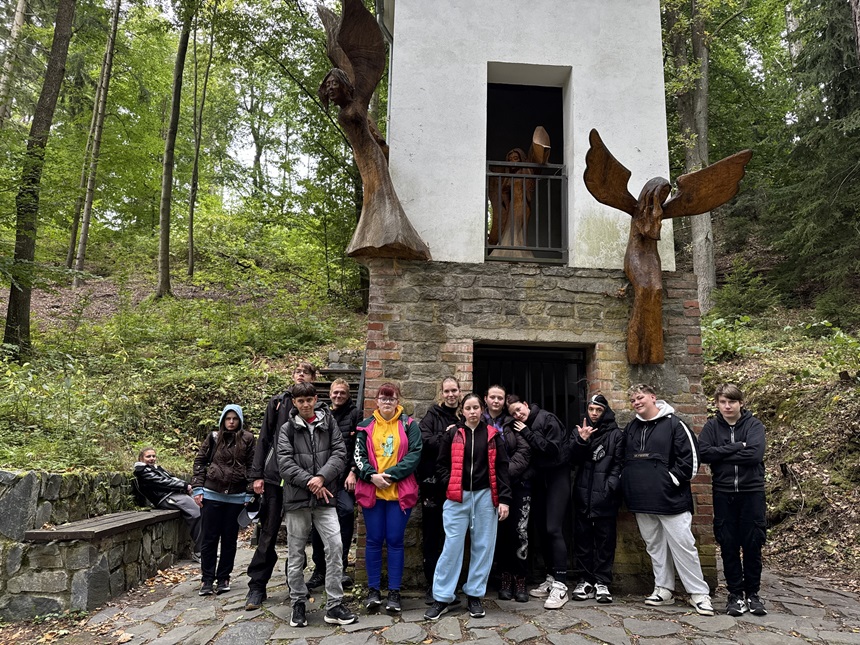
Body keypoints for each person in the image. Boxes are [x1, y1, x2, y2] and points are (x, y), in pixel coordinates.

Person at [621, 384, 714, 616]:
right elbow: (623, 458)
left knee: (683, 545)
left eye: (640, 397)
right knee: (654, 545)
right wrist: (628, 482)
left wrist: (670, 479)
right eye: (633, 400)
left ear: (653, 397)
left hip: (671, 498)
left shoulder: (675, 424)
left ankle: (699, 593)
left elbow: (690, 460)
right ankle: (663, 589)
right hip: (641, 499)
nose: (636, 403)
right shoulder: (631, 428)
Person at [424, 393, 511, 621]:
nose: (472, 412)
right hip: (457, 497)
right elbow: (441, 464)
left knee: (483, 546)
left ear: (482, 410)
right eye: (468, 408)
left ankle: (474, 595)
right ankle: (442, 597)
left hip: (485, 497)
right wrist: (450, 483)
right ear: (462, 411)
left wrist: (504, 499)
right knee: (452, 546)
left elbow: (502, 468)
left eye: (476, 408)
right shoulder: (453, 433)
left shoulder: (492, 435)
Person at [277, 382, 357, 627]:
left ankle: (334, 605)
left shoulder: (329, 423)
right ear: (294, 402)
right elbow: (285, 464)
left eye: (309, 400)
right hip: (297, 501)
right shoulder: (287, 429)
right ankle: (298, 603)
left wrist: (321, 477)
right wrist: (311, 482)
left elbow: (340, 454)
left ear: (315, 399)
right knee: (296, 553)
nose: (305, 404)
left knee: (335, 547)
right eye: (300, 401)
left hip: (325, 499)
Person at [244, 362, 315, 611]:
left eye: (306, 373)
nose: (300, 375)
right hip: (275, 478)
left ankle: (295, 583)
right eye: (297, 372)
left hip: (301, 480)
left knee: (299, 535)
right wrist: (257, 475)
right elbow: (264, 438)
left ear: (313, 379)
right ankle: (257, 586)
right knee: (268, 532)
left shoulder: (316, 408)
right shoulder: (277, 402)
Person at [698, 383, 768, 616]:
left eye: (732, 402)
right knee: (728, 544)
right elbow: (704, 453)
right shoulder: (711, 427)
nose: (727, 406)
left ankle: (753, 595)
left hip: (751, 493)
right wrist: (738, 446)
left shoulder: (754, 425)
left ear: (741, 403)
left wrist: (721, 453)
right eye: (723, 402)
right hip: (724, 493)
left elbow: (755, 455)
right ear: (717, 404)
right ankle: (735, 595)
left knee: (752, 544)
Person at [354, 382, 422, 613]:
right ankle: (373, 591)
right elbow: (358, 457)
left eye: (391, 399)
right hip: (372, 492)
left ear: (397, 401)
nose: (387, 402)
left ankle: (394, 592)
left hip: (398, 492)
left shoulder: (409, 425)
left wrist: (391, 475)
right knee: (373, 540)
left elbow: (415, 454)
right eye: (383, 398)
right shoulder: (365, 426)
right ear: (377, 401)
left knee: (394, 540)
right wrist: (371, 476)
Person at [507, 393, 571, 609]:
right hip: (541, 481)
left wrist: (527, 433)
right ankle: (551, 577)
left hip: (557, 477)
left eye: (519, 409)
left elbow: (553, 450)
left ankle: (561, 585)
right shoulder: (522, 426)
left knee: (553, 529)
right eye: (513, 413)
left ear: (526, 404)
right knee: (542, 530)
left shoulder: (546, 418)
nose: (518, 414)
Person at [191, 404, 255, 596]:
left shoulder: (248, 438)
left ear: (240, 420)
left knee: (229, 539)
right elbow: (200, 462)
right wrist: (197, 488)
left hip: (236, 497)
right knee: (209, 538)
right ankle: (207, 579)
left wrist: (249, 492)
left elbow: (252, 465)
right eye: (228, 418)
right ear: (222, 420)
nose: (231, 422)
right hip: (212, 493)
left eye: (235, 418)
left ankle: (223, 577)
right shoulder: (213, 437)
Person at [306, 379, 362, 592]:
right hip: (324, 477)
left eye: (342, 393)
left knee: (345, 513)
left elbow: (359, 445)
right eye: (335, 393)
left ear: (348, 395)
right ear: (329, 394)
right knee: (318, 520)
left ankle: (340, 567)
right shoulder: (322, 414)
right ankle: (320, 569)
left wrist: (353, 471)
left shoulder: (355, 414)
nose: (338, 396)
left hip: (345, 477)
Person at [569, 394, 624, 604]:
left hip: (606, 496)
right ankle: (585, 580)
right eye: (591, 409)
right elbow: (571, 459)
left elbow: (619, 463)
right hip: (583, 494)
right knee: (583, 539)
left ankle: (602, 581)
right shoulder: (579, 430)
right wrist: (581, 441)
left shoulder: (615, 434)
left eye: (598, 410)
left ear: (605, 411)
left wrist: (611, 486)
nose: (594, 413)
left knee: (605, 540)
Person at [485, 384, 532, 603]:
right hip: (489, 487)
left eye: (500, 398)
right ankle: (504, 578)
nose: (496, 401)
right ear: (486, 399)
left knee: (520, 532)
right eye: (492, 397)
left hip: (517, 484)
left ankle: (520, 579)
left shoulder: (512, 423)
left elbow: (524, 451)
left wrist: (503, 473)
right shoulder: (478, 421)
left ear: (504, 401)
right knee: (500, 534)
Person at [418, 376, 462, 602]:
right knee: (432, 534)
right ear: (441, 393)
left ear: (459, 391)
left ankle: (452, 583)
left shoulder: (464, 415)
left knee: (453, 536)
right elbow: (424, 442)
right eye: (447, 391)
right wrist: (448, 434)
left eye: (454, 390)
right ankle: (432, 583)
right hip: (433, 484)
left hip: (458, 484)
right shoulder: (432, 416)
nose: (451, 394)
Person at [133, 448, 201, 561]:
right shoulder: (142, 471)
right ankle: (199, 552)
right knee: (197, 513)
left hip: (174, 494)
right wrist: (184, 486)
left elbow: (171, 478)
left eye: (153, 456)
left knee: (205, 509)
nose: (152, 458)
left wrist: (186, 486)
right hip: (166, 498)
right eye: (148, 456)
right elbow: (162, 482)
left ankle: (205, 549)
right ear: (141, 458)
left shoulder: (156, 468)